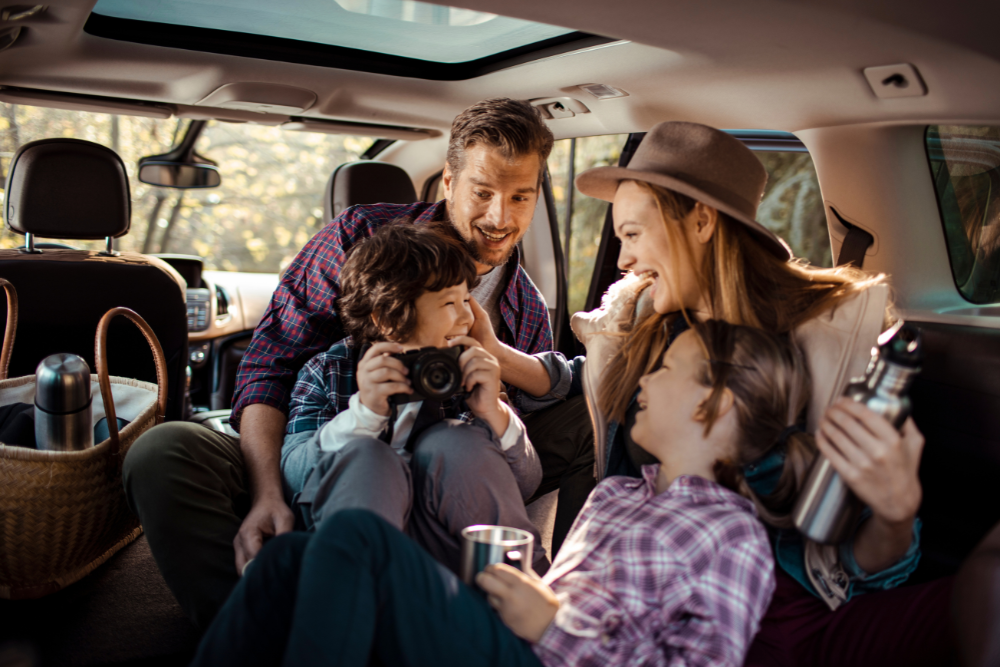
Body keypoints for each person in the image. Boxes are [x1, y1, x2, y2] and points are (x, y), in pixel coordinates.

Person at [477, 121, 954, 666]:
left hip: (766, 611)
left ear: (700, 220)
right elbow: (589, 377)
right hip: (634, 601)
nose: (622, 259)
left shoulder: (827, 346)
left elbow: (854, 559)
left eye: (632, 235)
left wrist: (895, 517)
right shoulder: (641, 323)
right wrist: (497, 354)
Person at [122, 98, 595, 629]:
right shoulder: (361, 240)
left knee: (594, 416)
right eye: (483, 192)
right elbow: (270, 367)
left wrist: (495, 386)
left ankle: (566, 611)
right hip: (333, 448)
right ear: (448, 182)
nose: (500, 217)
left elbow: (520, 449)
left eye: (520, 196)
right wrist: (268, 494)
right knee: (164, 449)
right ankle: (255, 628)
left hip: (456, 456)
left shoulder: (524, 303)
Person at [189, 319, 820, 667]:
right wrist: (533, 598)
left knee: (356, 538)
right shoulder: (620, 494)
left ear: (714, 403)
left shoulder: (731, 532)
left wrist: (555, 627)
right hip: (514, 641)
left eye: (663, 368)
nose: (643, 379)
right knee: (289, 559)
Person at [285, 221, 545, 573]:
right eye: (449, 302)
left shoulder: (467, 372)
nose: (466, 316)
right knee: (367, 458)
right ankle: (358, 604)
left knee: (454, 443)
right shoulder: (329, 371)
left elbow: (525, 484)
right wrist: (363, 415)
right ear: (388, 317)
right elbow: (295, 474)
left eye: (466, 299)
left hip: (447, 543)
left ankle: (517, 596)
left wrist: (494, 412)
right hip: (361, 541)